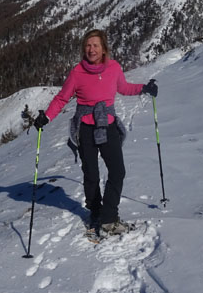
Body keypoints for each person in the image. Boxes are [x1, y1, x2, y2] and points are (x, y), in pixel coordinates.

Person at [33, 29, 158, 236]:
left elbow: (124, 88)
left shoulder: (114, 68)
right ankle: (96, 212)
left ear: (103, 49)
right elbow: (62, 98)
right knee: (91, 175)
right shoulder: (77, 72)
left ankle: (108, 217)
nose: (91, 49)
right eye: (88, 46)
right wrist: (46, 117)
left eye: (95, 45)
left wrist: (145, 88)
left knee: (117, 171)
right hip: (86, 129)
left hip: (108, 126)